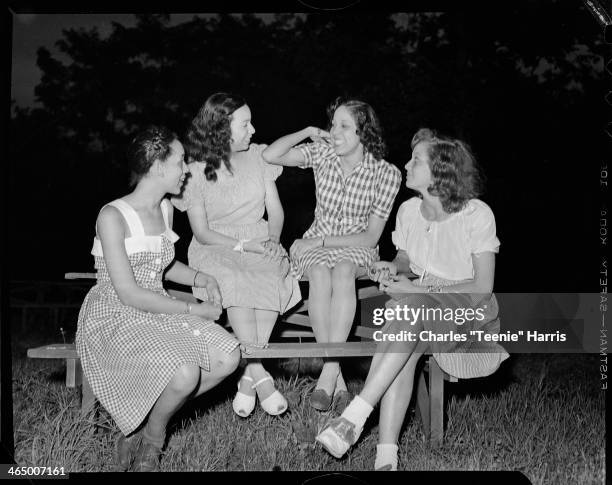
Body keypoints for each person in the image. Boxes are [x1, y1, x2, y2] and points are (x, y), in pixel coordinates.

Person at [315, 128, 510, 470]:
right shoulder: (408, 211)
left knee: (410, 311)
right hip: (417, 314)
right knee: (406, 339)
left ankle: (354, 416)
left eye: (415, 160)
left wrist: (417, 290)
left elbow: (482, 288)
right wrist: (393, 267)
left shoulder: (476, 214)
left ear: (441, 171)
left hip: (468, 315)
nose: (406, 165)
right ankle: (385, 458)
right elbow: (407, 259)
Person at [75, 126, 241, 472]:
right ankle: (152, 437)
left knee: (228, 356)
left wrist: (200, 276)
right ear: (157, 166)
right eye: (181, 162)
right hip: (116, 313)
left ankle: (145, 423)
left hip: (157, 305)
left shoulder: (166, 210)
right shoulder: (112, 216)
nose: (186, 169)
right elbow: (129, 292)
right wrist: (193, 309)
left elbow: (161, 264)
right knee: (184, 373)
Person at [262, 98, 402, 411]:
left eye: (343, 126)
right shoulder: (323, 153)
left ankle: (328, 369)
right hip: (316, 245)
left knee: (342, 271)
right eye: (332, 124)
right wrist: (307, 130)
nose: (334, 132)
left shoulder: (386, 173)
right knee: (322, 274)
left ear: (363, 133)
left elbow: (371, 235)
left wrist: (322, 242)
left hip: (356, 246)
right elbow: (271, 154)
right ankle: (334, 373)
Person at [171, 93, 301, 418]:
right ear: (221, 127)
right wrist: (243, 247)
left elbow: (275, 209)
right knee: (236, 278)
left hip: (259, 236)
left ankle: (249, 374)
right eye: (245, 124)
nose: (253, 129)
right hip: (216, 245)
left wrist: (272, 239)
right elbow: (201, 232)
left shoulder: (260, 156)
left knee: (272, 271)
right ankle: (260, 372)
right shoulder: (194, 171)